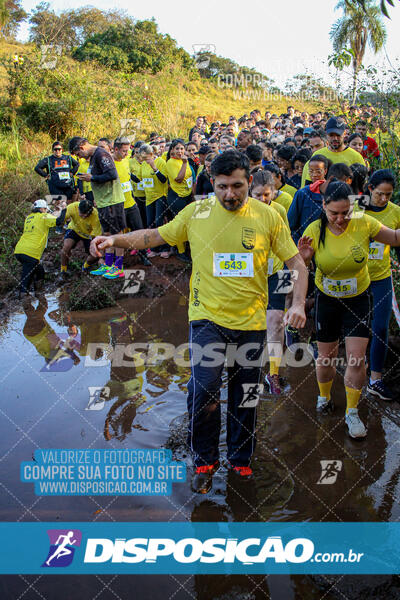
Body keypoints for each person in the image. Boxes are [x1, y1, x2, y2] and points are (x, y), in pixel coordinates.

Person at [90, 150, 308, 493]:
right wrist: (115, 239)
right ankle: (204, 460)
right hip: (206, 317)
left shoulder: (268, 217)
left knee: (245, 394)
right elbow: (155, 236)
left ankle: (240, 460)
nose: (230, 194)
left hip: (251, 322)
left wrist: (298, 303)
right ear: (213, 184)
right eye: (222, 187)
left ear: (249, 182)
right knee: (203, 388)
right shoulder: (197, 212)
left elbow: (297, 263)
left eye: (237, 186)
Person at [298, 181, 400, 439]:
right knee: (326, 358)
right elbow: (298, 270)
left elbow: (395, 238)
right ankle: (324, 397)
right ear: (324, 207)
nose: (341, 219)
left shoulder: (365, 222)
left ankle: (352, 413)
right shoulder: (314, 230)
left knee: (356, 358)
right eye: (334, 213)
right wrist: (305, 258)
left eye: (346, 213)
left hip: (357, 299)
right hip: (327, 300)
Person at [249, 170, 291, 395]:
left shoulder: (280, 211)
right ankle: (247, 370)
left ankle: (273, 373)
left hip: (276, 271)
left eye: (267, 195)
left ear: (274, 192)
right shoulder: (240, 212)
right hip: (248, 276)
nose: (263, 199)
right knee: (252, 325)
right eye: (258, 195)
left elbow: (286, 244)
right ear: (249, 192)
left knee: (276, 322)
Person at [359, 170, 400, 401]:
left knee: (381, 327)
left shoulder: (396, 213)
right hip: (356, 278)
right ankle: (357, 366)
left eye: (388, 195)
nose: (384, 199)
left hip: (381, 277)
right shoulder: (358, 207)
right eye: (380, 194)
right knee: (359, 328)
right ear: (370, 188)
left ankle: (376, 380)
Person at [68, 136, 126, 279]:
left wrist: (92, 178)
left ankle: (118, 267)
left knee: (116, 235)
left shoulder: (101, 154)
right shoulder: (93, 157)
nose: (79, 157)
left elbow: (112, 174)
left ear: (81, 148)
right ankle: (108, 264)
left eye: (77, 154)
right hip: (102, 202)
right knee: (106, 234)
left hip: (112, 201)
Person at [14, 198, 66, 297]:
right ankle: (24, 298)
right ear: (42, 209)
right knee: (26, 276)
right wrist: (64, 209)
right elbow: (59, 221)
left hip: (19, 250)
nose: (46, 211)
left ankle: (38, 292)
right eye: (45, 209)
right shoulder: (44, 216)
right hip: (30, 252)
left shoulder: (28, 218)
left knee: (40, 271)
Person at [113, 137, 152, 265]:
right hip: (118, 205)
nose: (126, 154)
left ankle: (143, 256)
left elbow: (129, 177)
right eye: (124, 151)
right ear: (116, 149)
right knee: (120, 234)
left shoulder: (126, 162)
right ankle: (117, 262)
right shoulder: (110, 164)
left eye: (128, 151)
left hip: (131, 202)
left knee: (139, 229)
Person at [301, 117, 365, 187]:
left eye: (338, 135)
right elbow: (309, 184)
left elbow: (362, 186)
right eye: (331, 135)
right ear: (326, 134)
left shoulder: (356, 157)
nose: (335, 138)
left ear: (344, 133)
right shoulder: (318, 155)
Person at [137, 143, 169, 259]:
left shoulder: (160, 162)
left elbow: (164, 179)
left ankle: (165, 248)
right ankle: (155, 249)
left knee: (159, 221)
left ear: (151, 154)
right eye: (142, 158)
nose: (144, 160)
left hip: (160, 196)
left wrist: (154, 168)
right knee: (150, 223)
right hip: (149, 197)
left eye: (145, 158)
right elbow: (141, 180)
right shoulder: (143, 164)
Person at [60, 198, 101, 276]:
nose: (84, 216)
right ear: (78, 208)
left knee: (95, 254)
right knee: (66, 247)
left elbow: (96, 236)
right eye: (82, 214)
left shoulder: (95, 215)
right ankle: (63, 270)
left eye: (86, 215)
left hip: (88, 235)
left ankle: (86, 265)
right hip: (74, 229)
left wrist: (93, 246)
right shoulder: (72, 207)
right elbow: (61, 218)